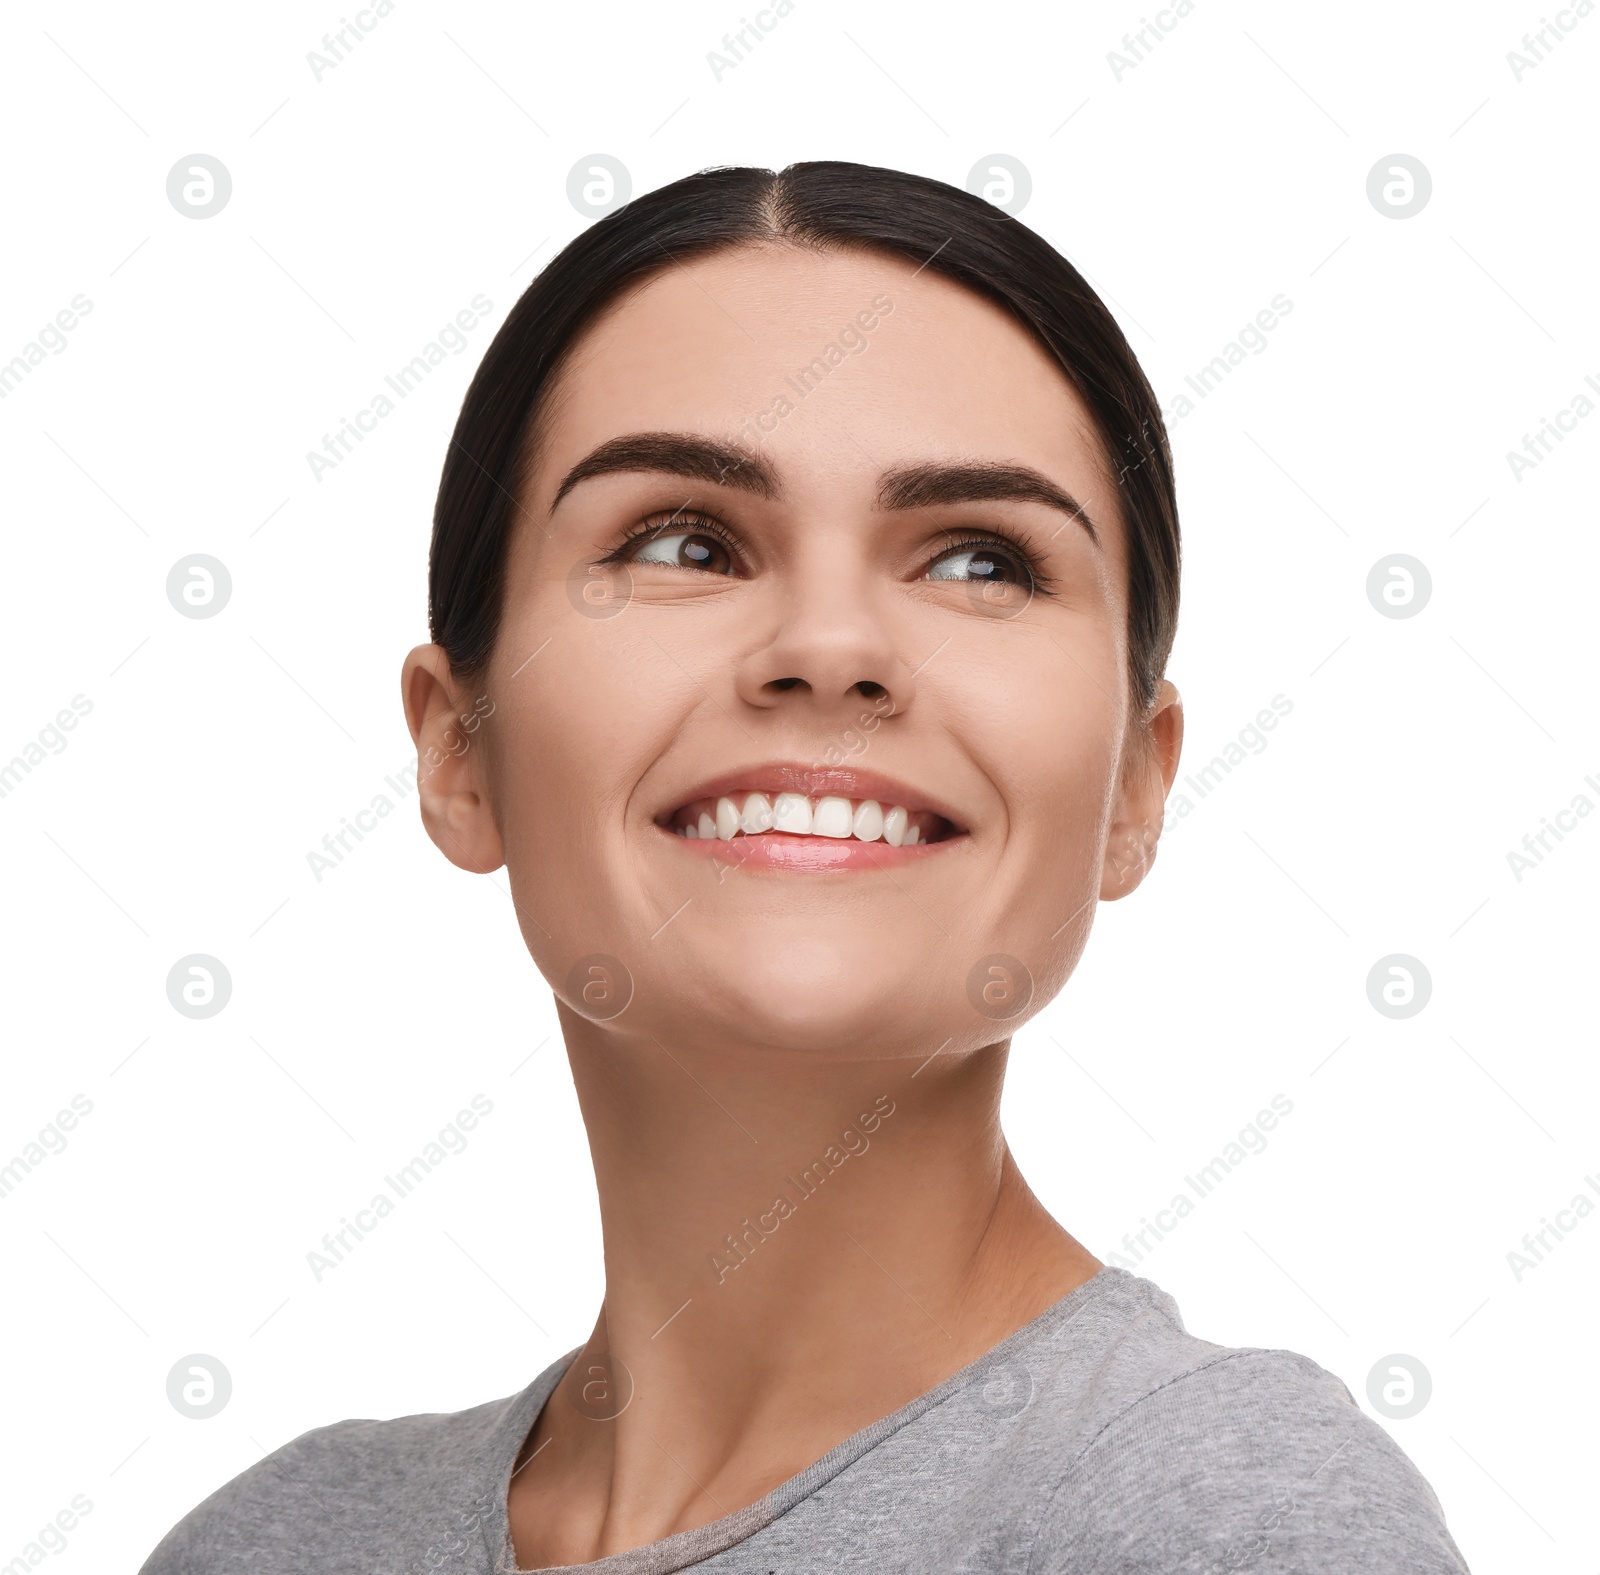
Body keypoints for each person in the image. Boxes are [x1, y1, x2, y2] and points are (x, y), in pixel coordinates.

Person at [140, 161, 1469, 1573]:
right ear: (461, 749)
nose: (830, 647)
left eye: (980, 562)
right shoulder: (275, 1545)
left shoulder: (1220, 1512)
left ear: (1135, 784)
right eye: (685, 542)